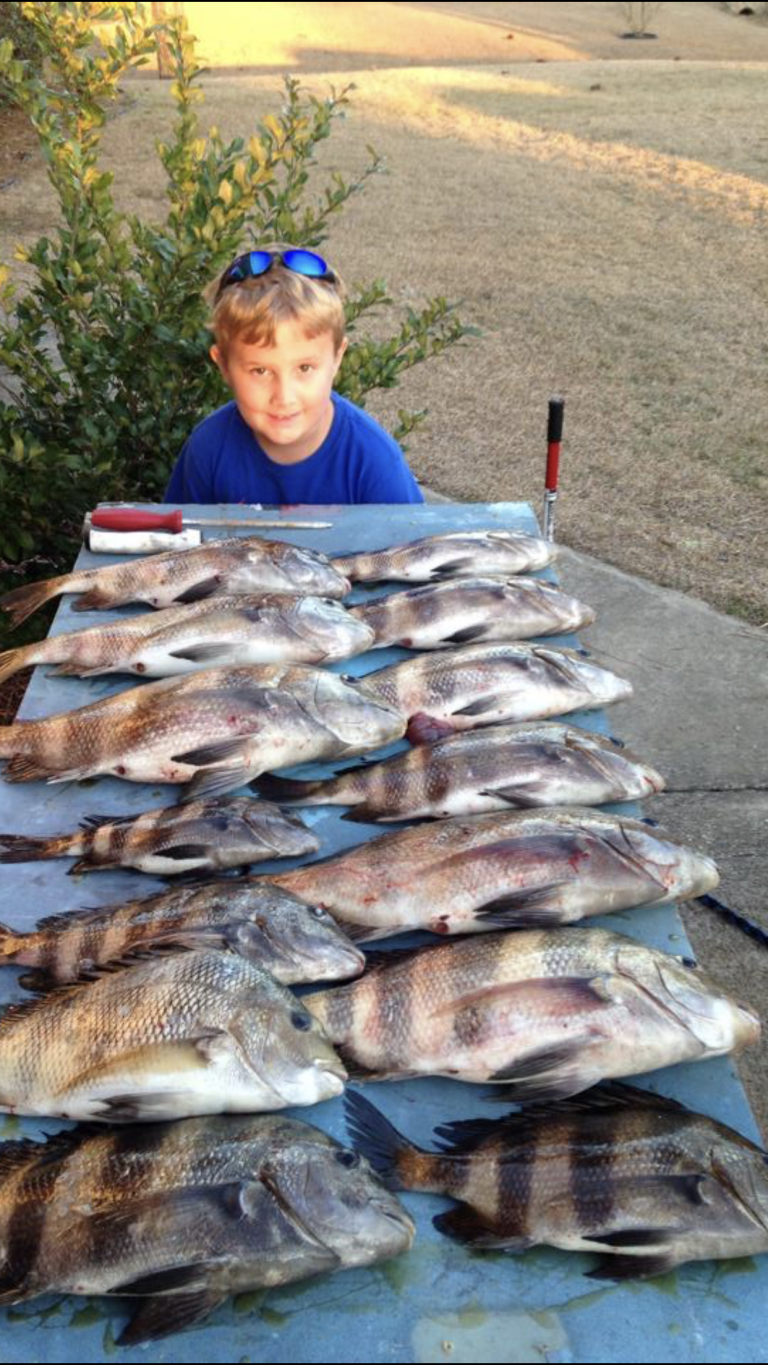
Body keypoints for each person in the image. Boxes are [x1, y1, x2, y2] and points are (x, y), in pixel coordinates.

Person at [164, 247, 424, 505]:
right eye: (261, 371)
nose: (284, 397)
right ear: (224, 366)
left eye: (304, 368)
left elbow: (414, 544)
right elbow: (179, 543)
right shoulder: (207, 450)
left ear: (336, 358)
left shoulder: (373, 462)